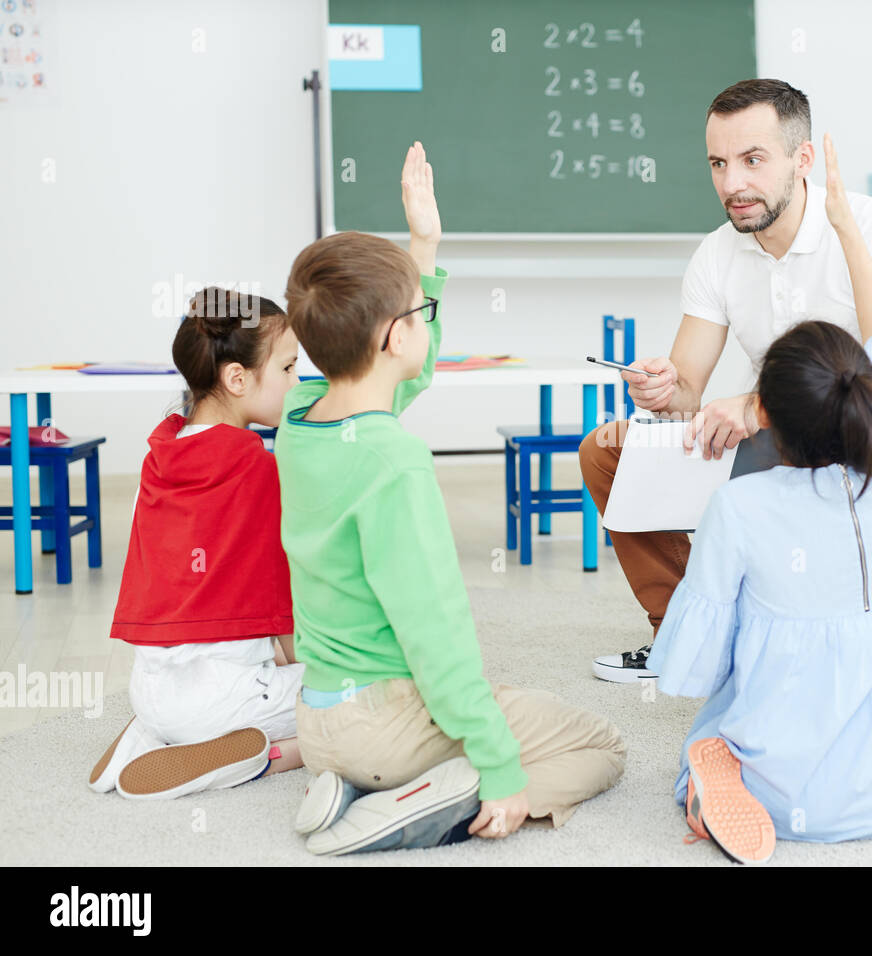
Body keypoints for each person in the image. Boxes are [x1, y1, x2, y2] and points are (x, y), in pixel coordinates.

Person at [644, 135, 872, 864]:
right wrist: (848, 224)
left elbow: (695, 662)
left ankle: (705, 784)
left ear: (769, 418)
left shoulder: (742, 509)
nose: (731, 177)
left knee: (708, 734)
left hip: (776, 795)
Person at [279, 141, 626, 856]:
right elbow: (434, 635)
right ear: (393, 334)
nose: (426, 322)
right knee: (600, 744)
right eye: (422, 310)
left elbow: (399, 380)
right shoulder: (395, 463)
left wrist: (424, 245)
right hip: (384, 725)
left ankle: (358, 783)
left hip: (319, 723)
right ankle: (432, 801)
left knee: (494, 715)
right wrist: (498, 765)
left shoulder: (301, 420)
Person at [581, 78, 872, 682]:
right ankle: (686, 638)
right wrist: (661, 387)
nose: (732, 184)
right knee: (608, 451)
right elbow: (686, 393)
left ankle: (807, 643)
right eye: (719, 164)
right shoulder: (717, 253)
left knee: (804, 466)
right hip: (774, 443)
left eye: (752, 160)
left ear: (802, 160)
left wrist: (759, 407)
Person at [90, 287, 306, 799]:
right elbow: (284, 595)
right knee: (362, 700)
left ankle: (152, 733)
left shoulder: (161, 458)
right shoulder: (255, 467)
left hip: (149, 687)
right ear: (237, 378)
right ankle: (264, 756)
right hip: (221, 700)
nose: (297, 383)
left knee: (231, 669)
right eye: (289, 369)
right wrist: (308, 671)